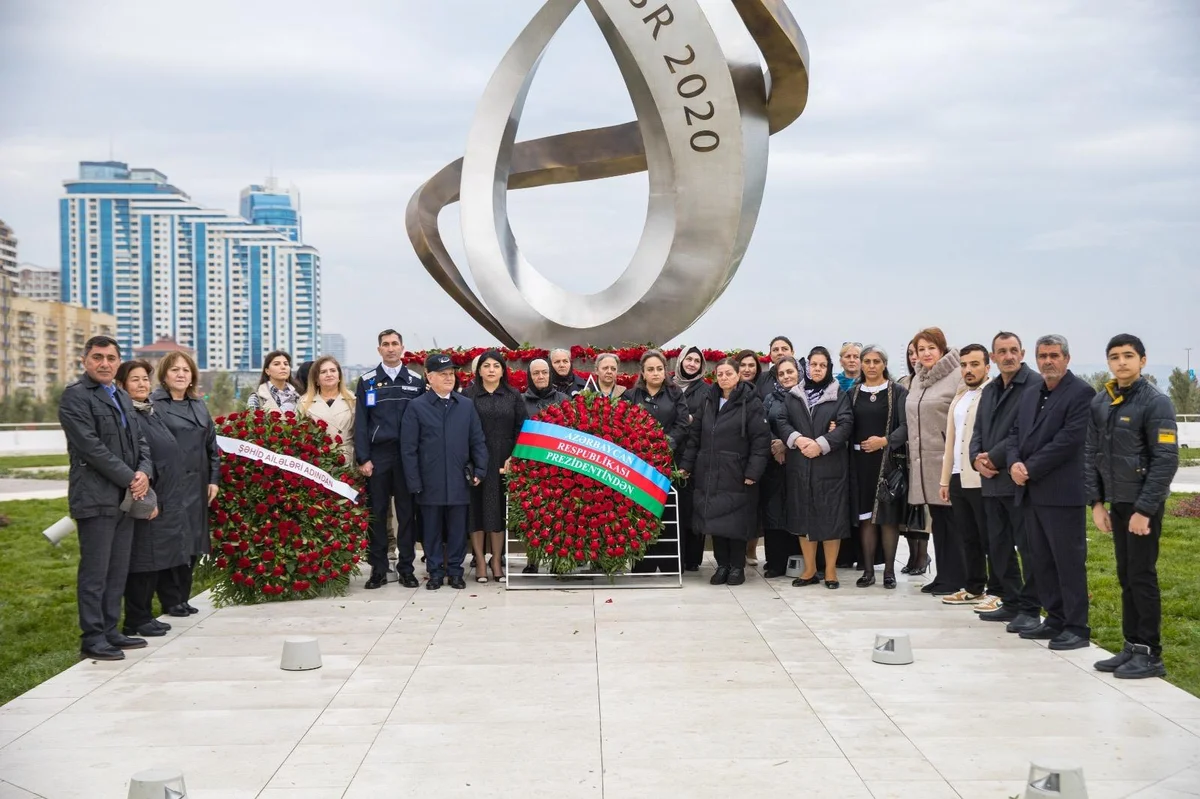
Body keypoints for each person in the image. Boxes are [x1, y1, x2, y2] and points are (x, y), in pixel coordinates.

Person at [1087, 334, 1179, 678]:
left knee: (1142, 576)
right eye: (1114, 357)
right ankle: (1131, 646)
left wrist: (1144, 510)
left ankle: (1151, 654)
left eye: (1128, 356)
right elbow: (1091, 455)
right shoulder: (1102, 401)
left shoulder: (1157, 402)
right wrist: (1096, 503)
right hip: (1118, 502)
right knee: (1126, 576)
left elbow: (1166, 459)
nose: (1121, 362)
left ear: (1142, 360)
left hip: (1144, 507)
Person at [59, 336, 153, 660]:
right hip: (95, 498)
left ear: (118, 361)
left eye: (111, 358)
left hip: (125, 498)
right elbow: (91, 448)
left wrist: (144, 473)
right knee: (95, 573)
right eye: (97, 357)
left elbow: (140, 441)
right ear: (85, 359)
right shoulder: (75, 397)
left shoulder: (122, 396)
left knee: (117, 571)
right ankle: (93, 637)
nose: (104, 363)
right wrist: (131, 477)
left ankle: (111, 630)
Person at [1007, 334, 1095, 650]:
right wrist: (1014, 462)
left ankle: (1077, 627)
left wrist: (1028, 468)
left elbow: (1069, 440)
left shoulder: (1082, 393)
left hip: (1062, 494)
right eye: (1043, 355)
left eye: (1054, 355)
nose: (1048, 361)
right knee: (1041, 561)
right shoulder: (1031, 393)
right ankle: (1055, 619)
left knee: (1068, 562)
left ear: (1067, 359)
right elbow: (1015, 433)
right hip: (1031, 493)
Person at [401, 353, 489, 591]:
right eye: (443, 374)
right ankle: (436, 572)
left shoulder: (465, 405)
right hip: (429, 482)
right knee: (431, 530)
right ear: (429, 377)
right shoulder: (416, 407)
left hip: (460, 480)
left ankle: (456, 572)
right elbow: (408, 449)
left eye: (451, 374)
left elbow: (477, 440)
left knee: (458, 530)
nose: (449, 378)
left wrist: (480, 469)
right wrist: (414, 481)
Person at [679, 357, 771, 586]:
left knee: (736, 522)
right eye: (720, 374)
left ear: (738, 375)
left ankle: (736, 566)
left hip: (737, 471)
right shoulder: (709, 401)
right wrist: (687, 466)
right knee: (714, 521)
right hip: (709, 470)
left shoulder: (751, 402)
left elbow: (761, 440)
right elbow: (695, 437)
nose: (724, 378)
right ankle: (722, 565)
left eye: (729, 373)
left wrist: (753, 472)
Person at [971, 332, 1039, 629]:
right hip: (991, 483)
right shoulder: (990, 389)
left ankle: (1031, 608)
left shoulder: (1034, 386)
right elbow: (978, 430)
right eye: (1002, 351)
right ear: (994, 357)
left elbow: (1021, 430)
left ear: (1022, 353)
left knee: (1027, 548)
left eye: (1013, 350)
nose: (1008, 356)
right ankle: (1011, 602)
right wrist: (976, 458)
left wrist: (993, 459)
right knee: (998, 547)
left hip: (1017, 482)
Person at [774, 347, 854, 588]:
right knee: (802, 516)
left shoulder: (838, 393)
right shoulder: (794, 394)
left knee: (830, 517)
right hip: (800, 464)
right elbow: (781, 420)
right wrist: (797, 440)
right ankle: (809, 570)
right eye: (813, 365)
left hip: (829, 465)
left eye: (822, 365)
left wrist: (821, 444)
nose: (817, 369)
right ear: (806, 367)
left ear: (828, 368)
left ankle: (830, 571)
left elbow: (846, 423)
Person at [117, 360, 185, 638]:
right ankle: (136, 618)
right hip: (145, 495)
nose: (143, 384)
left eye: (145, 379)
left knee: (153, 558)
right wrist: (149, 495)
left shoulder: (147, 411)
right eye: (135, 380)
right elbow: (138, 458)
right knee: (142, 559)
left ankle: (144, 614)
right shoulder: (127, 415)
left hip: (163, 495)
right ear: (121, 385)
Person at [355, 329, 426, 589]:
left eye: (395, 343)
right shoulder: (368, 381)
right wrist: (363, 458)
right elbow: (361, 423)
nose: (391, 348)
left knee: (407, 514)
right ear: (379, 350)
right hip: (378, 457)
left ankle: (407, 567)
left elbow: (423, 422)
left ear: (402, 347)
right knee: (378, 513)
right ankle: (379, 569)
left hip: (408, 457)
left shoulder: (416, 381)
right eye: (385, 344)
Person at [150, 351, 220, 616]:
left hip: (198, 485)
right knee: (172, 541)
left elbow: (212, 447)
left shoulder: (198, 405)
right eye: (175, 370)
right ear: (164, 375)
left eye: (186, 370)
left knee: (193, 542)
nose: (181, 374)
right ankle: (170, 599)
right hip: (168, 485)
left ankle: (182, 596)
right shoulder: (154, 404)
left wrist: (214, 479)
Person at [904, 328, 964, 596]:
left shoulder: (956, 376)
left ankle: (959, 577)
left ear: (942, 349)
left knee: (954, 521)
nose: (926, 353)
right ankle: (944, 575)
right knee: (938, 521)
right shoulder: (918, 378)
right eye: (921, 349)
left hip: (946, 460)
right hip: (923, 461)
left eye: (931, 348)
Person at [624, 349, 691, 574]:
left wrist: (664, 445)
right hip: (640, 464)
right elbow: (622, 426)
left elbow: (683, 423)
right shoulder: (631, 396)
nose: (655, 373)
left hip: (668, 461)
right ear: (642, 372)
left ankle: (671, 564)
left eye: (659, 369)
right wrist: (642, 449)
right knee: (643, 512)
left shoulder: (675, 394)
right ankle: (644, 563)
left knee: (669, 511)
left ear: (665, 371)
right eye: (650, 369)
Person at [937, 344, 993, 606]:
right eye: (964, 365)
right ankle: (974, 588)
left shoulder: (991, 394)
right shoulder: (960, 396)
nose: (968, 370)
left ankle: (999, 591)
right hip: (959, 476)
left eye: (974, 364)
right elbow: (952, 441)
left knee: (989, 537)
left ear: (987, 366)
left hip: (981, 477)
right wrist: (945, 479)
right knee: (967, 536)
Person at [848, 346, 908, 589]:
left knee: (887, 518)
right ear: (861, 365)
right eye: (867, 361)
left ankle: (889, 572)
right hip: (860, 463)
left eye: (876, 361)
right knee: (866, 519)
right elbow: (844, 421)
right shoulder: (852, 393)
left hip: (887, 462)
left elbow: (906, 426)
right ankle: (868, 571)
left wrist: (885, 441)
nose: (871, 365)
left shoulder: (897, 392)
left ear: (884, 364)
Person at [466, 349, 527, 583]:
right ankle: (480, 560)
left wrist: (514, 456)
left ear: (503, 370)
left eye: (496, 366)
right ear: (479, 370)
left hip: (504, 460)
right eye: (486, 366)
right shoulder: (469, 395)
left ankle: (496, 559)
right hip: (476, 460)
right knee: (477, 510)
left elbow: (521, 430)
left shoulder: (512, 396)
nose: (491, 370)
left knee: (499, 511)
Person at [761, 356, 799, 578]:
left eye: (790, 372)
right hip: (774, 464)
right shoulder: (770, 399)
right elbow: (762, 425)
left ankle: (797, 559)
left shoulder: (806, 397)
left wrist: (787, 444)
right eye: (781, 374)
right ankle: (775, 563)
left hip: (798, 461)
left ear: (798, 372)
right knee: (773, 513)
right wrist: (775, 445)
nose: (786, 377)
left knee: (795, 511)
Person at [672, 345, 709, 571]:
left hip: (695, 456)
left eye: (697, 361)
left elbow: (707, 419)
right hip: (671, 454)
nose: (692, 364)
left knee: (692, 509)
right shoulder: (670, 386)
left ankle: (692, 559)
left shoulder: (706, 390)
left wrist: (692, 419)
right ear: (681, 361)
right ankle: (674, 556)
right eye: (689, 359)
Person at [734, 349, 764, 562]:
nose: (747, 369)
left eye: (751, 365)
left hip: (760, 455)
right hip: (735, 458)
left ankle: (751, 549)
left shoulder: (762, 390)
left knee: (755, 506)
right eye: (743, 365)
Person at [300, 355, 356, 461]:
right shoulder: (304, 402)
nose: (329, 374)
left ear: (339, 376)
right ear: (316, 379)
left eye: (333, 370)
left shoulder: (353, 400)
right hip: (318, 460)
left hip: (346, 459)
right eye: (323, 372)